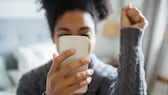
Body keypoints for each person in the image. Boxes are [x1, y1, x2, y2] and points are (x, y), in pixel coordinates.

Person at [17, 0, 148, 95]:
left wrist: (131, 40)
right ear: (53, 37)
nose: (75, 42)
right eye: (65, 34)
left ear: (95, 36)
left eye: (84, 34)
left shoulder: (110, 78)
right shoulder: (30, 81)